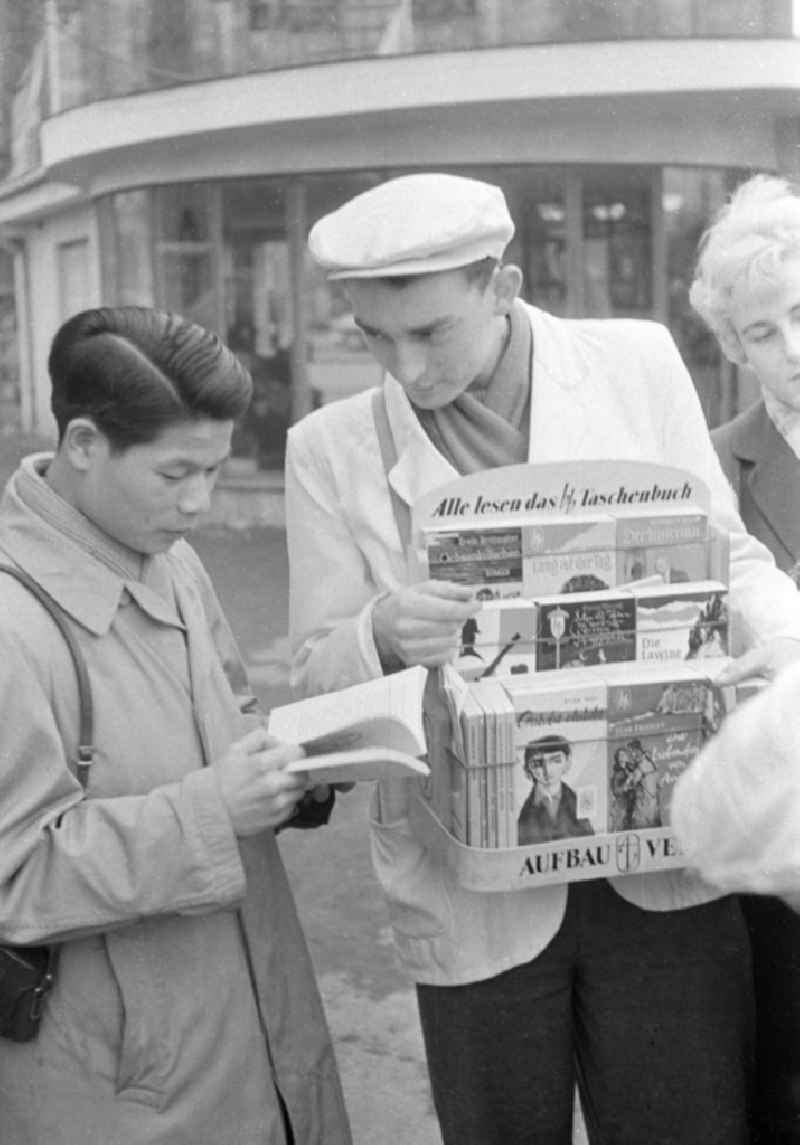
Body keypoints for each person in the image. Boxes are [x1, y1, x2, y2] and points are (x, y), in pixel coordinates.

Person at [285, 172, 800, 1145]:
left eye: (429, 331)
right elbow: (315, 686)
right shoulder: (328, 449)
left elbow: (721, 550)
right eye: (372, 337)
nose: (404, 366)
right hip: (470, 886)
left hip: (659, 864)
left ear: (503, 282)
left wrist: (781, 650)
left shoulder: (633, 363)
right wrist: (381, 632)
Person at [0, 307, 351, 1145]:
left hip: (252, 1015)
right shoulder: (11, 624)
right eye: (175, 474)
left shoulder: (171, 559)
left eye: (216, 470)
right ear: (83, 444)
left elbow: (231, 716)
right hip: (118, 1082)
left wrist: (300, 767)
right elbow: (15, 875)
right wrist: (212, 810)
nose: (199, 502)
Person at [688, 172, 800, 1145]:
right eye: (760, 332)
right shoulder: (711, 465)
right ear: (731, 346)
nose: (791, 350)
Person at [517, 735, 593, 844]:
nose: (547, 770)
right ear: (528, 769)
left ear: (567, 763)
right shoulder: (525, 812)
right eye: (538, 763)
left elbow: (590, 840)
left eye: (555, 760)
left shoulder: (577, 801)